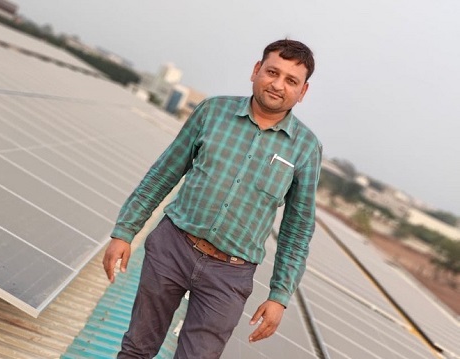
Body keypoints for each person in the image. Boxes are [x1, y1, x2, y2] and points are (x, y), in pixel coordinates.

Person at [103, 38, 322, 358]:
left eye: (291, 80)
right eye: (272, 72)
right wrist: (125, 231)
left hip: (230, 275)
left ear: (302, 92)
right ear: (256, 70)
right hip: (172, 248)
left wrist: (280, 295)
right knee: (137, 348)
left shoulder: (306, 148)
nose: (278, 85)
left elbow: (297, 230)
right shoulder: (212, 111)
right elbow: (164, 173)